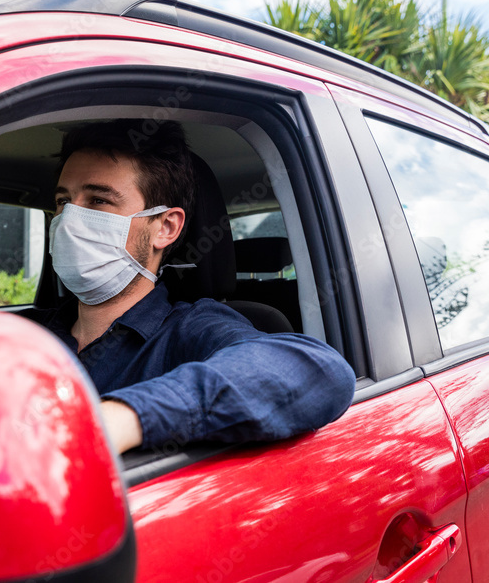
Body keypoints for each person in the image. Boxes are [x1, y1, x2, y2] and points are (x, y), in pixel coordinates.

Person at [22, 120, 356, 454]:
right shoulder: (24, 334)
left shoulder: (192, 330)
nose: (68, 221)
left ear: (165, 227)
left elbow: (320, 371)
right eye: (64, 201)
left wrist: (122, 418)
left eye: (98, 201)